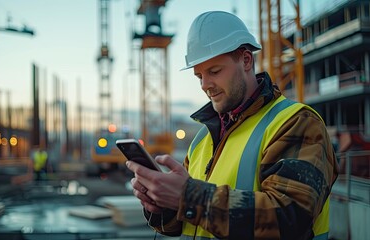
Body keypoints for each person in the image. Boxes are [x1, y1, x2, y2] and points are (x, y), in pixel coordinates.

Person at [126, 11, 339, 240]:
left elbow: (290, 217)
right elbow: (187, 223)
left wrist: (189, 198)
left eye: (214, 71)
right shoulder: (202, 139)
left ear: (246, 60)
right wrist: (162, 204)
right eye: (199, 76)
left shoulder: (296, 123)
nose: (205, 85)